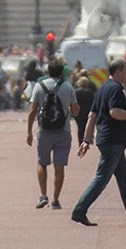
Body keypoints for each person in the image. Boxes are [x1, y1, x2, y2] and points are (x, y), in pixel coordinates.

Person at [70, 59, 126, 228]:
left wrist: (86, 140)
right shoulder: (115, 89)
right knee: (102, 178)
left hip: (110, 139)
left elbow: (92, 116)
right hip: (112, 139)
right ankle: (79, 211)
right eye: (125, 71)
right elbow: (114, 112)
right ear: (117, 72)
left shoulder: (102, 89)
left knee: (124, 178)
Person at [26, 60, 78, 211]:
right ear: (62, 72)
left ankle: (43, 195)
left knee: (42, 163)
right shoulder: (68, 87)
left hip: (44, 130)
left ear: (48, 71)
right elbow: (75, 111)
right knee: (59, 166)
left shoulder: (39, 86)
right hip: (63, 131)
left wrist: (29, 131)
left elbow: (32, 110)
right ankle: (55, 199)